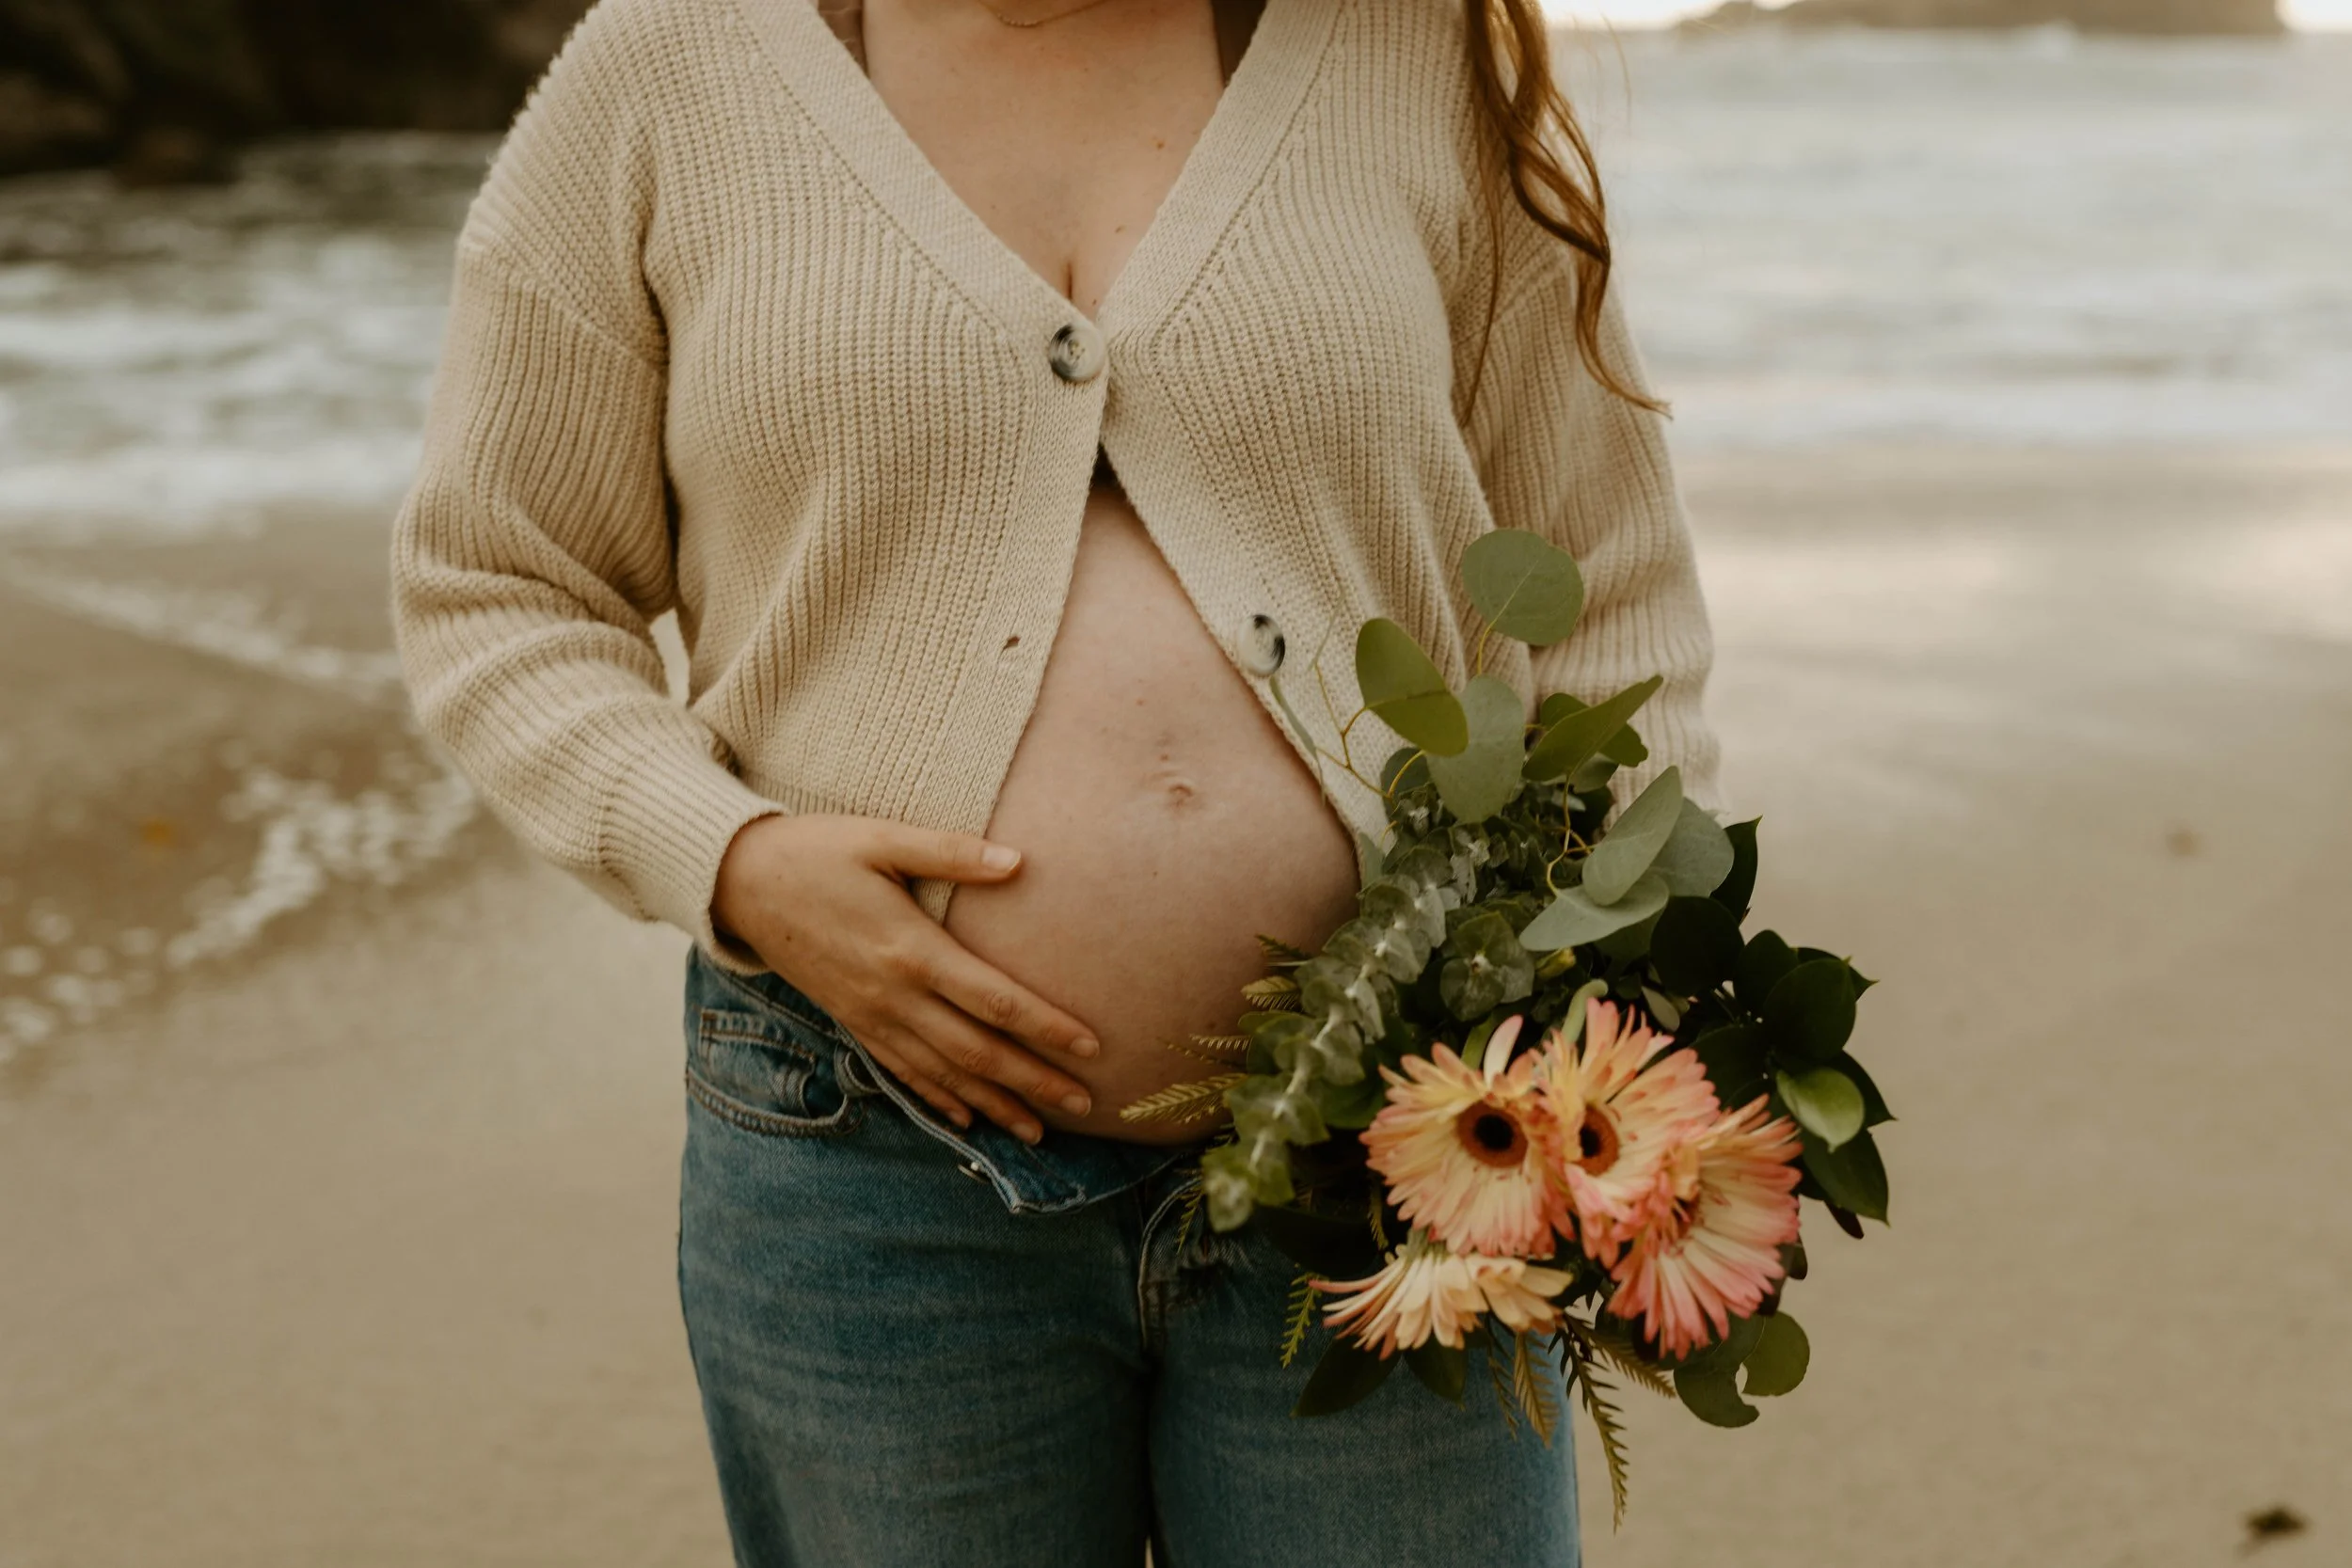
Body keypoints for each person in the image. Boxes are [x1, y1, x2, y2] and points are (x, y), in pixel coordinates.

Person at [392, 0, 1719, 1560]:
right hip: (873, 1175)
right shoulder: (670, 69)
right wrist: (731, 857)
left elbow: (1605, 591)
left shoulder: (1406, 50)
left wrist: (1595, 1005)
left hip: (1412, 1164)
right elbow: (499, 585)